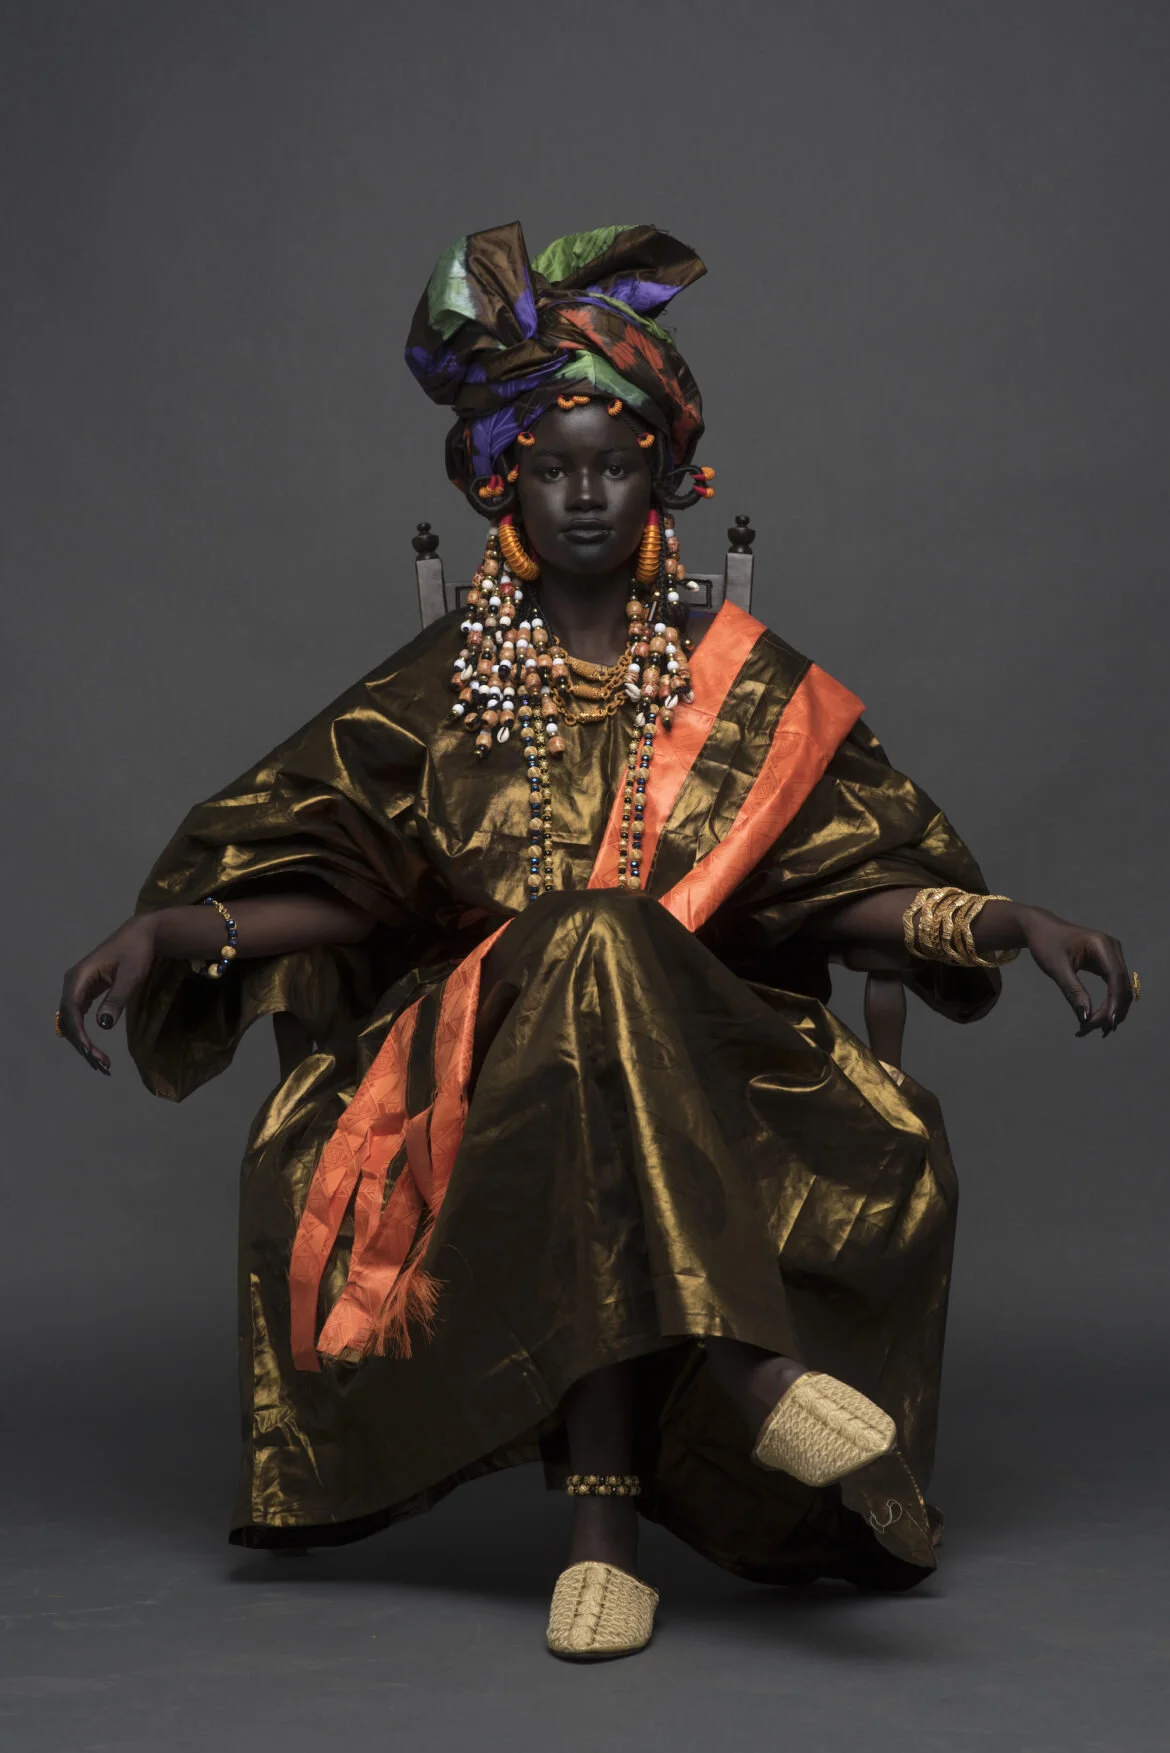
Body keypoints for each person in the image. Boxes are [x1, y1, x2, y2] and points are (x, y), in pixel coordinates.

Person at [57, 222, 1136, 1662]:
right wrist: (184, 926)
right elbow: (353, 888)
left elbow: (837, 885)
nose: (583, 493)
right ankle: (747, 1381)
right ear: (503, 478)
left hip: (717, 1061)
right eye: (553, 465)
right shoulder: (441, 686)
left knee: (606, 953)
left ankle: (604, 1532)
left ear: (660, 475)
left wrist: (1002, 919)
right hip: (481, 1070)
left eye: (614, 464)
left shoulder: (739, 683)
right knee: (586, 949)